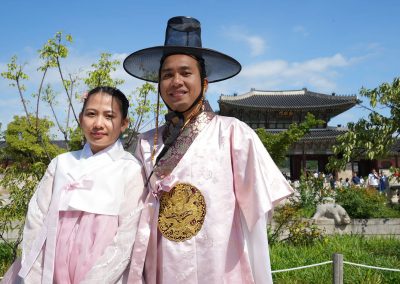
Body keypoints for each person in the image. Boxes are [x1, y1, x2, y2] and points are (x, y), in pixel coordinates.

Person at [124, 16, 294, 283]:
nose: (176, 81)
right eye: (167, 75)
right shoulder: (146, 143)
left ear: (204, 82)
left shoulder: (234, 134)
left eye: (186, 73)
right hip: (161, 266)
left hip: (218, 265)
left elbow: (258, 216)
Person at [3, 86, 145, 283]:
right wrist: (35, 272)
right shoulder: (61, 163)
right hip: (49, 266)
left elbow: (128, 236)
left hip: (103, 272)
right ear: (81, 119)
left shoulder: (131, 169)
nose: (98, 124)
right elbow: (36, 217)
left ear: (124, 123)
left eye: (109, 116)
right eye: (91, 114)